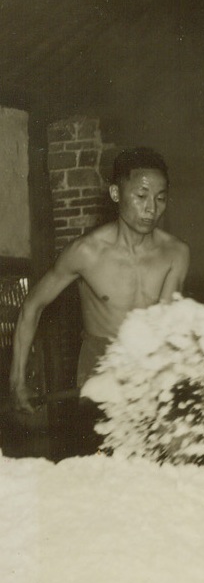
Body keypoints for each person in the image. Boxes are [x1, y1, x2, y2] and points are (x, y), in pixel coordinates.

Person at [8, 147, 189, 426]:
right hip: (99, 365)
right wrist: (17, 379)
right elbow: (33, 305)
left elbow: (164, 322)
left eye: (160, 198)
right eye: (141, 196)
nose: (151, 208)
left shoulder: (176, 253)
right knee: (106, 464)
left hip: (150, 363)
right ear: (116, 194)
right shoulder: (87, 253)